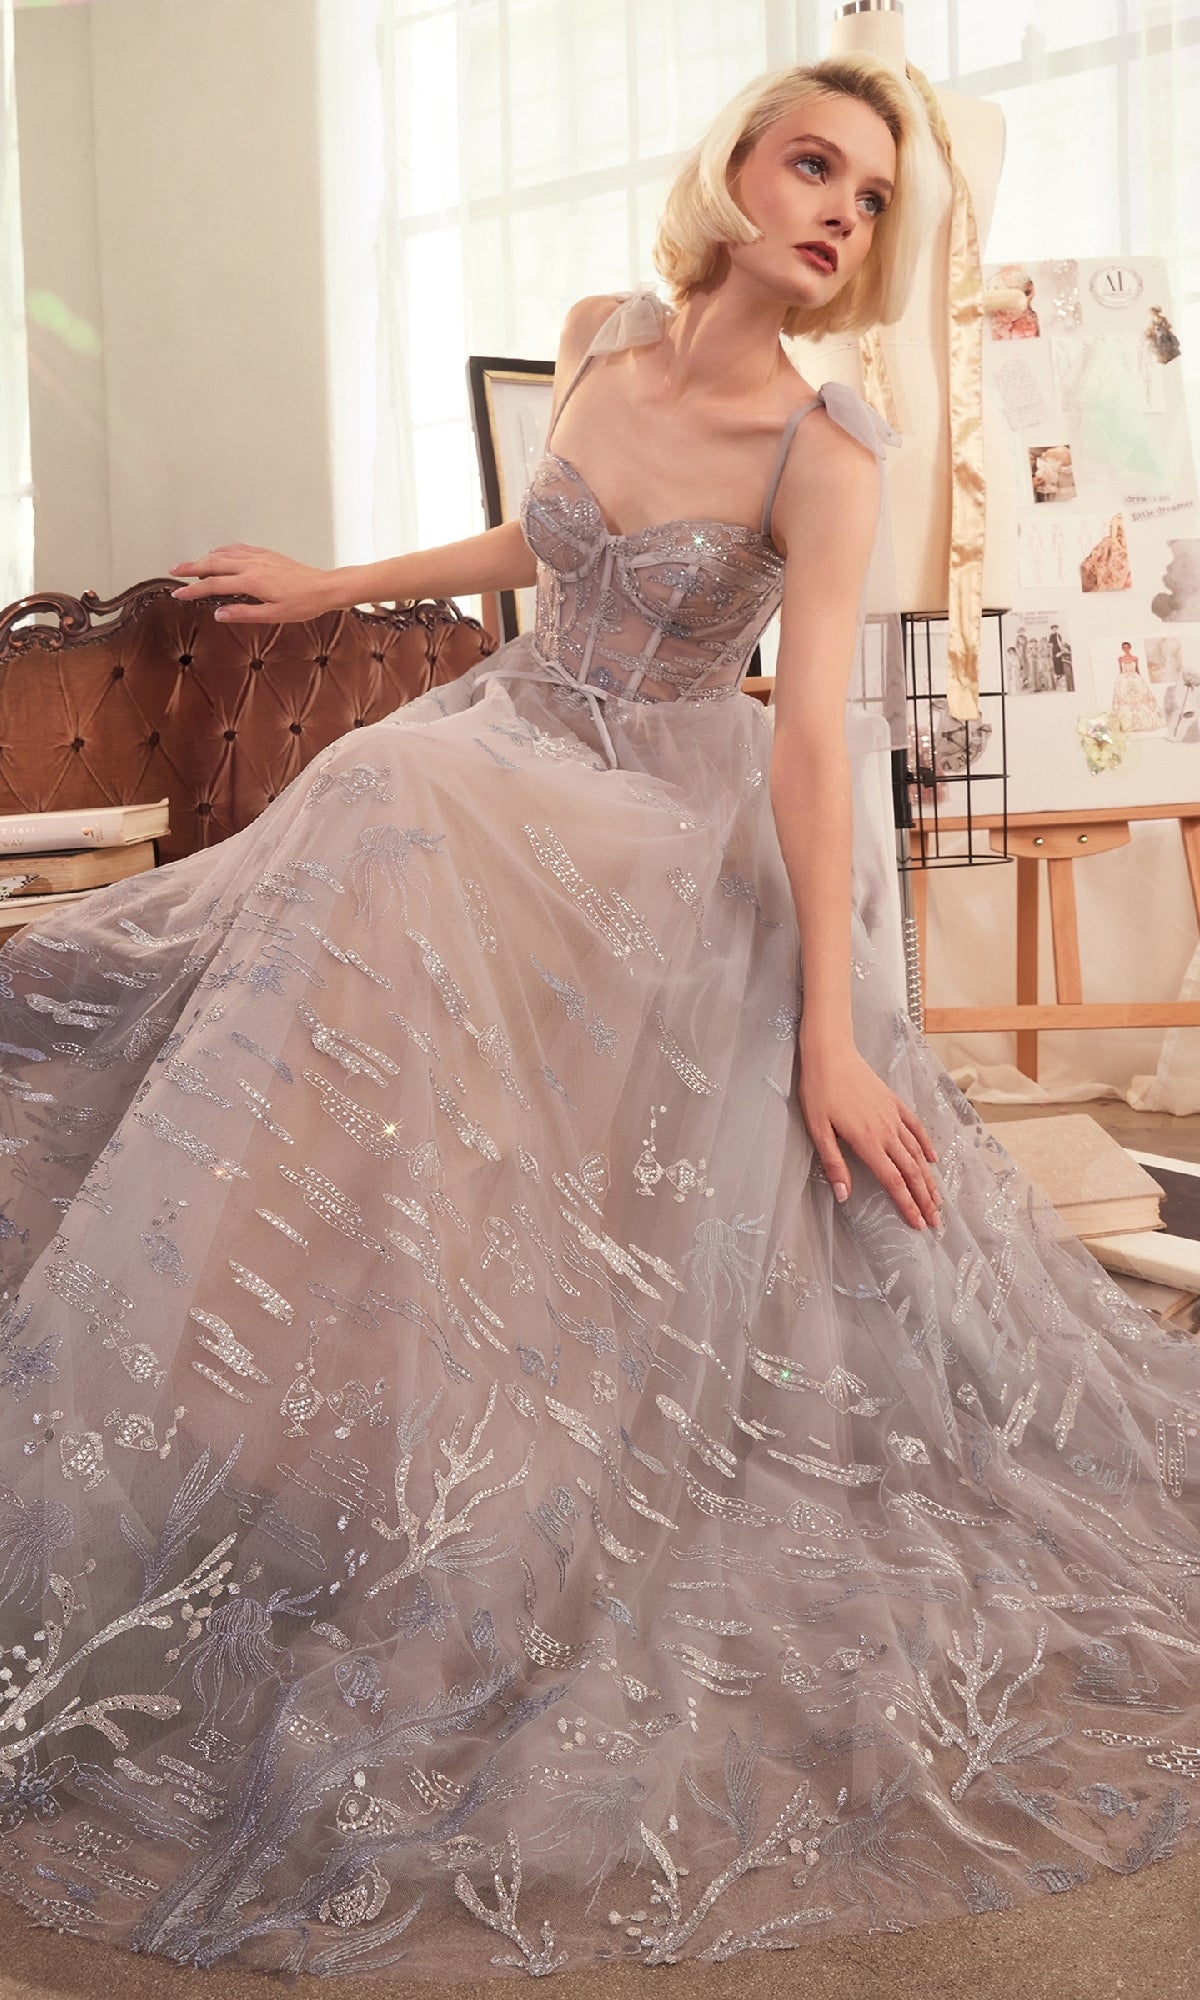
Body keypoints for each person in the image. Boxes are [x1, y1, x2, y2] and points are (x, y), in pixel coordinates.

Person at [1, 54, 1199, 1981]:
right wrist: (331, 585)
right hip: (518, 740)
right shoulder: (601, 337)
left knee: (388, 799)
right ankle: (324, 1400)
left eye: (874, 199)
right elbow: (533, 550)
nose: (835, 212)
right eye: (813, 164)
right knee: (369, 834)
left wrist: (830, 1028)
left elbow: (808, 737)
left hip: (667, 810)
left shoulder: (833, 446)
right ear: (735, 162)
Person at [1111, 640, 1165, 733]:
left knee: (1141, 700)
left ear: (1130, 648)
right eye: (1124, 647)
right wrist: (1119, 683)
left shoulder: (1135, 658)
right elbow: (1120, 670)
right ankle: (1127, 724)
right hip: (1124, 680)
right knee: (1125, 701)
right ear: (1122, 649)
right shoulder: (1120, 659)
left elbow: (1137, 670)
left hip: (1135, 679)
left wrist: (1141, 681)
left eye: (1127, 647)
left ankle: (1144, 722)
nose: (1125, 649)